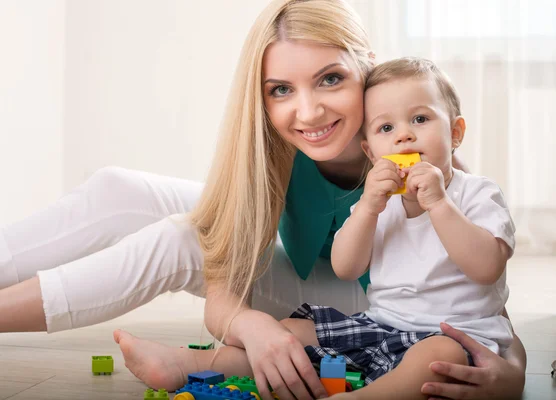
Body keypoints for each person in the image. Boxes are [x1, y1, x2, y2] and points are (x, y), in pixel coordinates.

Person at [0, 1, 525, 399]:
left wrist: (514, 370)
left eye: (331, 79)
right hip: (328, 273)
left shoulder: (412, 142)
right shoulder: (273, 145)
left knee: (181, 239)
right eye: (281, 90)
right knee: (121, 189)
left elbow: (475, 291)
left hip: (387, 311)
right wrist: (253, 328)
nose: (309, 112)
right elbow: (225, 274)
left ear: (366, 66)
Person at [276, 57, 515, 399]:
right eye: (386, 128)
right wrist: (368, 209)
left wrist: (439, 204)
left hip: (452, 335)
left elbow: (487, 268)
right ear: (370, 153)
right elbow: (346, 268)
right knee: (291, 331)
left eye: (420, 119)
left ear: (456, 133)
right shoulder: (377, 202)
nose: (404, 135)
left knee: (436, 359)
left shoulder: (478, 193)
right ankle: (198, 363)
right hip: (381, 327)